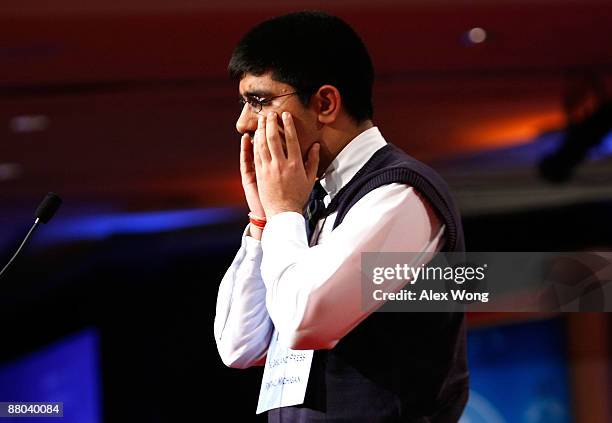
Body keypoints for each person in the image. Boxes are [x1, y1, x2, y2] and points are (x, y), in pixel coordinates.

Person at [214, 11, 468, 422]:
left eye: (259, 101)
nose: (243, 123)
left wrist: (282, 214)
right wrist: (262, 223)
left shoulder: (400, 195)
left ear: (326, 103)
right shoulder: (309, 202)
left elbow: (301, 324)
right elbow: (239, 346)